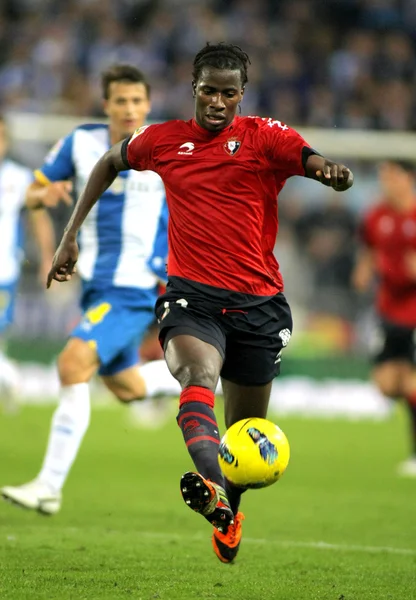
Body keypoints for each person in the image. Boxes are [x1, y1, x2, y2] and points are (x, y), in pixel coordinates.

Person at [42, 43, 353, 562]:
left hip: (260, 305)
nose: (217, 102)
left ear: (241, 96)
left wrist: (329, 171)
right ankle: (212, 487)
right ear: (193, 88)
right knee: (195, 378)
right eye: (208, 90)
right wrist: (69, 235)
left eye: (228, 94)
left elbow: (308, 158)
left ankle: (227, 510)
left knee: (244, 432)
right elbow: (107, 162)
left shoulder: (263, 136)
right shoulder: (163, 141)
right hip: (192, 297)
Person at [1, 64, 180, 515]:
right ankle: (206, 378)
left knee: (71, 362)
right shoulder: (80, 142)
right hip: (95, 287)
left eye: (137, 101)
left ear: (148, 104)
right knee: (126, 386)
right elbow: (34, 191)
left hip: (135, 287)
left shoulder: (166, 147)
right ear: (106, 105)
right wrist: (43, 197)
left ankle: (49, 486)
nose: (129, 109)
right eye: (121, 101)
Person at [352, 160, 416, 477]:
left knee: (412, 382)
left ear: (408, 179)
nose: (386, 182)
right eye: (383, 177)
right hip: (388, 308)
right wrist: (363, 270)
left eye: (392, 176)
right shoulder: (376, 216)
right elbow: (368, 247)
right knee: (387, 384)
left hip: (415, 309)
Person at [0, 115, 55, 410]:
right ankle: (9, 378)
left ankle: (10, 379)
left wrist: (48, 256)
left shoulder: (17, 177)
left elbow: (37, 216)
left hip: (3, 272)